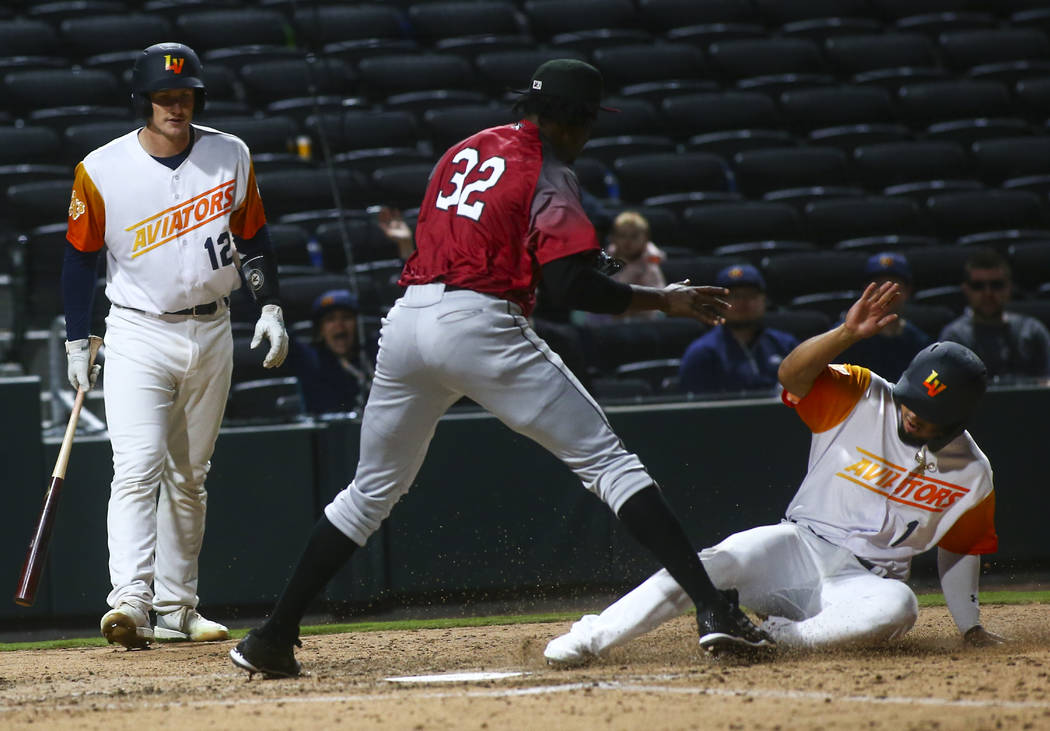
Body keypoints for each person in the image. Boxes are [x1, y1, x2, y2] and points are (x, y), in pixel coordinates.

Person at [230, 59, 772, 679]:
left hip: (406, 321)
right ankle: (712, 609)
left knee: (369, 491)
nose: (590, 132)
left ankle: (273, 635)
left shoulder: (463, 150)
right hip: (479, 321)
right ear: (573, 117)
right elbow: (571, 284)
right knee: (609, 464)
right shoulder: (550, 168)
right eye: (590, 119)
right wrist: (662, 299)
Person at [545, 282, 1004, 665]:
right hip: (798, 547)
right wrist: (846, 331)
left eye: (925, 411)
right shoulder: (865, 394)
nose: (910, 413)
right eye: (910, 399)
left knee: (899, 607)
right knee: (711, 562)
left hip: (865, 584)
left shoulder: (972, 473)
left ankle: (775, 640)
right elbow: (792, 376)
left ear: (957, 417)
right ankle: (591, 637)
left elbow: (960, 551)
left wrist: (971, 627)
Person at [62, 43, 288, 649]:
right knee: (137, 468)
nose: (176, 107)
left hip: (212, 327)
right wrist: (75, 336)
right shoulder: (101, 168)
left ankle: (177, 607)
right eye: (165, 97)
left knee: (190, 477)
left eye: (184, 96)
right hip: (137, 330)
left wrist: (269, 304)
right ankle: (130, 603)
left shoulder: (230, 154)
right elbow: (80, 262)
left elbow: (254, 238)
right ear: (143, 102)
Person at [678, 263, 798, 394]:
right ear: (718, 303)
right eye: (734, 296)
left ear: (764, 300)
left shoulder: (786, 345)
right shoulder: (702, 353)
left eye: (751, 295)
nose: (743, 302)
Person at [940, 248, 1050, 380]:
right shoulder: (953, 339)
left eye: (996, 285)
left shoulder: (1032, 332)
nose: (988, 293)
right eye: (978, 286)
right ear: (966, 290)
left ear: (1009, 288)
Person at [835, 252, 931, 382]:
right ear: (866, 290)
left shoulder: (920, 343)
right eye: (879, 285)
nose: (886, 293)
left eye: (893, 286)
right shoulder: (847, 335)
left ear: (907, 291)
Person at [287, 289, 374, 414]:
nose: (339, 325)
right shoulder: (309, 359)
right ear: (320, 330)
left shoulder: (376, 352)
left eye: (346, 318)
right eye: (330, 319)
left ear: (358, 325)